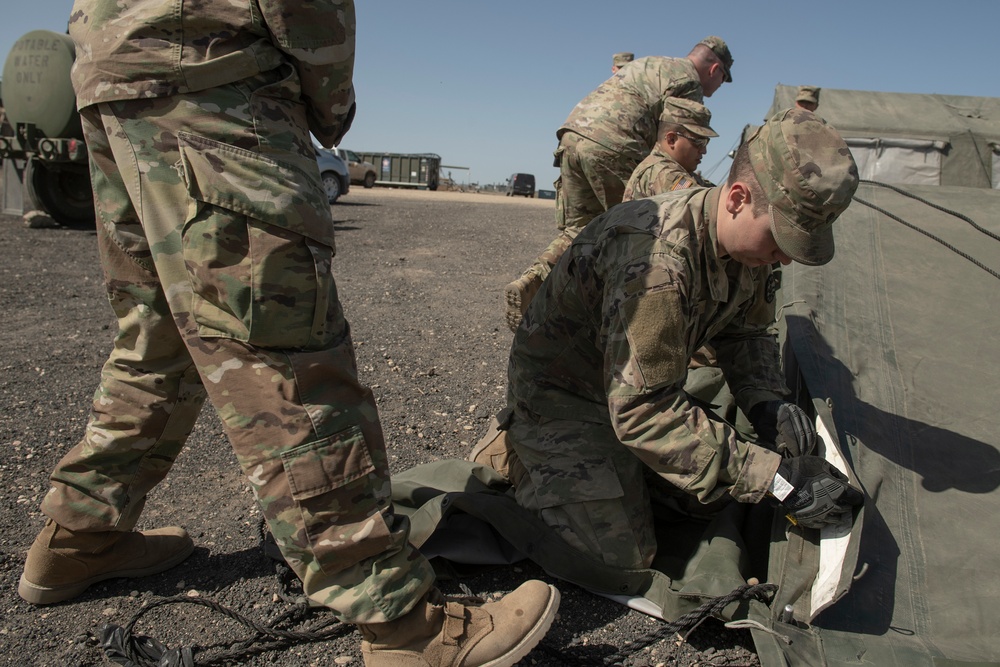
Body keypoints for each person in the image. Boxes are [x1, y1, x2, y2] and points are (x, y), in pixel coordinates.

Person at [17, 2, 560, 665]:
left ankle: (81, 534)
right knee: (285, 353)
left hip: (113, 67)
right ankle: (404, 623)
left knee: (159, 337)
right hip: (211, 79)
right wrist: (328, 103)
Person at [474, 108, 864, 570]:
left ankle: (612, 468)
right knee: (619, 559)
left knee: (713, 499)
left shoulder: (748, 249)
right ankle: (517, 448)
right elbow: (643, 412)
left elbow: (746, 332)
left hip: (636, 391)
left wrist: (767, 403)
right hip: (566, 396)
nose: (788, 258)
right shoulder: (657, 262)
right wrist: (778, 480)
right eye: (781, 239)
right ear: (737, 198)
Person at [504, 36, 735, 332]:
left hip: (572, 136)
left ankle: (530, 284)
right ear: (715, 69)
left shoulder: (652, 62)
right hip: (615, 145)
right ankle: (613, 322)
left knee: (581, 228)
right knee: (632, 235)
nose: (716, 90)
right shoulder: (689, 82)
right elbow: (677, 138)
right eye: (722, 81)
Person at [622, 97, 718, 202]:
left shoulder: (675, 170)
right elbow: (709, 207)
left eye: (705, 142)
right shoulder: (664, 174)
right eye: (698, 142)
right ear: (671, 139)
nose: (704, 151)